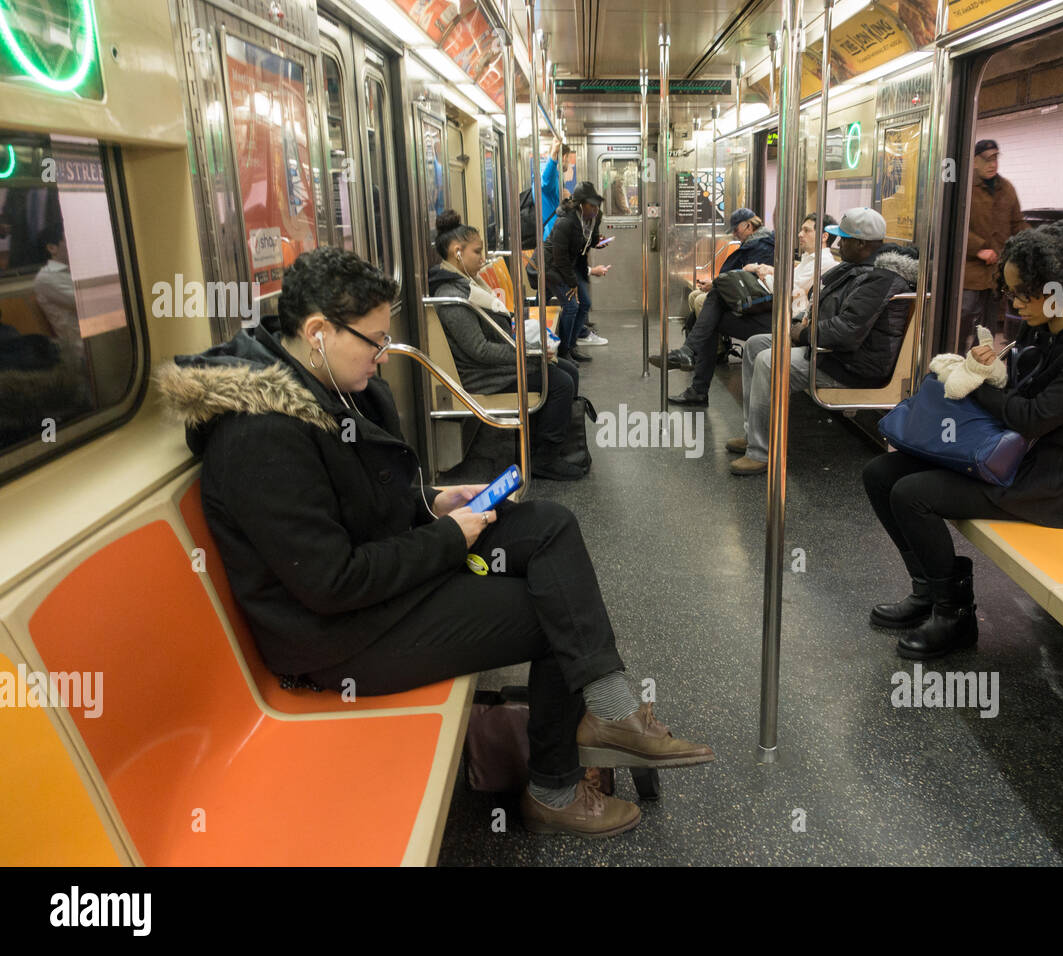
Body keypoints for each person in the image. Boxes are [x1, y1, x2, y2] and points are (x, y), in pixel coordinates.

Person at [156, 246, 714, 838]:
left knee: (551, 524)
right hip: (341, 638)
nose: (383, 354)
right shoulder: (261, 436)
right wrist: (448, 538)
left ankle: (612, 710)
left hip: (386, 583)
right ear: (317, 332)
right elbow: (331, 582)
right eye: (372, 340)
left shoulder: (335, 384)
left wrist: (430, 503)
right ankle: (552, 788)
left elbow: (363, 505)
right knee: (556, 617)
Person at [862, 220, 1063, 660]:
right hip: (1009, 457)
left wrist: (976, 384)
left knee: (913, 494)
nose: (1017, 304)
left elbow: (1033, 418)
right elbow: (1015, 397)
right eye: (1011, 293)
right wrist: (985, 369)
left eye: (1027, 292)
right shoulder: (1043, 328)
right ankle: (928, 591)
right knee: (880, 473)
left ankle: (955, 616)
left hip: (1048, 481)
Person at [731, 210, 918, 476]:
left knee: (769, 361)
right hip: (832, 349)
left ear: (862, 244)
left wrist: (803, 334)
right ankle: (755, 435)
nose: (838, 245)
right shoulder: (858, 269)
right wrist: (802, 324)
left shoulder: (881, 279)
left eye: (845, 240)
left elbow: (847, 331)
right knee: (755, 345)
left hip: (851, 363)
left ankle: (762, 452)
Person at [428, 211, 584, 481]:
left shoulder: (465, 284)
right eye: (477, 252)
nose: (482, 258)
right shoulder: (451, 296)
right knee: (561, 382)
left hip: (495, 363)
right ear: (457, 252)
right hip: (482, 376)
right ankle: (544, 459)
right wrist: (528, 354)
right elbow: (480, 350)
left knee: (568, 370)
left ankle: (536, 446)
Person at [651, 208, 776, 406]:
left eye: (736, 230)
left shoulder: (764, 246)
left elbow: (755, 282)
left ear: (748, 226)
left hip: (770, 314)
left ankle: (691, 359)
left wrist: (719, 282)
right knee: (711, 310)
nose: (734, 234)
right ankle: (694, 374)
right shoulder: (756, 244)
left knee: (711, 305)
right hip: (756, 304)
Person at [961, 139, 1027, 352]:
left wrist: (1032, 244)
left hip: (996, 270)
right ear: (974, 161)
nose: (993, 164)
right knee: (965, 313)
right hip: (970, 269)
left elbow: (1017, 223)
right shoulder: (965, 188)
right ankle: (955, 356)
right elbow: (955, 223)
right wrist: (978, 249)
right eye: (987, 159)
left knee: (989, 323)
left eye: (996, 158)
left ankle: (981, 362)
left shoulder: (1006, 188)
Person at [543, 182, 610, 363]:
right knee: (572, 306)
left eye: (597, 205)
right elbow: (559, 257)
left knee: (585, 303)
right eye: (591, 205)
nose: (595, 209)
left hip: (571, 264)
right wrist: (572, 282)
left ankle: (572, 346)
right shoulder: (566, 221)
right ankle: (564, 351)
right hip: (552, 266)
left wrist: (598, 242)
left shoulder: (595, 217)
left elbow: (589, 240)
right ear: (580, 204)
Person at [31, 222, 87, 370]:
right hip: (83, 350)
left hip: (104, 339)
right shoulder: (46, 278)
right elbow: (88, 305)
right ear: (52, 248)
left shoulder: (78, 270)